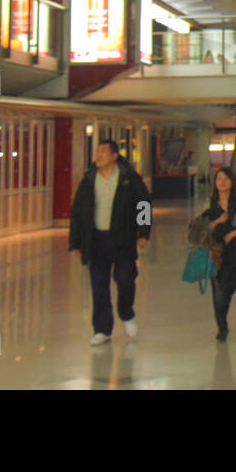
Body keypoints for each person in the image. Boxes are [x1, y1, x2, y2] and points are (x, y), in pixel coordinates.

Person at [68, 139, 152, 346]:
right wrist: (76, 241)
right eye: (97, 151)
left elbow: (143, 204)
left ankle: (126, 312)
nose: (99, 155)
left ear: (114, 156)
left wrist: (143, 232)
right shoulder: (88, 179)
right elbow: (78, 211)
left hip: (122, 238)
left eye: (104, 151)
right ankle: (102, 329)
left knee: (125, 279)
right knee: (99, 287)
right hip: (96, 239)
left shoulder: (128, 178)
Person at [197, 166, 236, 341]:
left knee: (228, 288)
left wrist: (233, 234)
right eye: (219, 178)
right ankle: (222, 327)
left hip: (234, 252)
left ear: (232, 182)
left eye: (226, 179)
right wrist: (217, 222)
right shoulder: (209, 204)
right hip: (215, 253)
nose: (222, 182)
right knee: (218, 292)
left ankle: (223, 311)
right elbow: (200, 227)